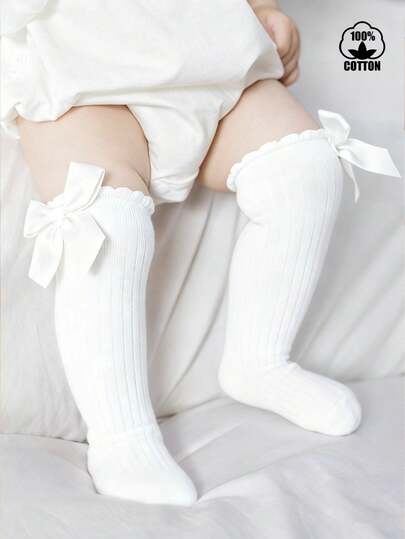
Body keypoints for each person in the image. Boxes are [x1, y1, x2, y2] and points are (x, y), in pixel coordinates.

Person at [2, 0, 399, 506]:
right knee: (102, 219)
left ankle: (260, 359)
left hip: (209, 54)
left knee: (304, 166)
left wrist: (264, 8)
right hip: (80, 64)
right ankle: (121, 432)